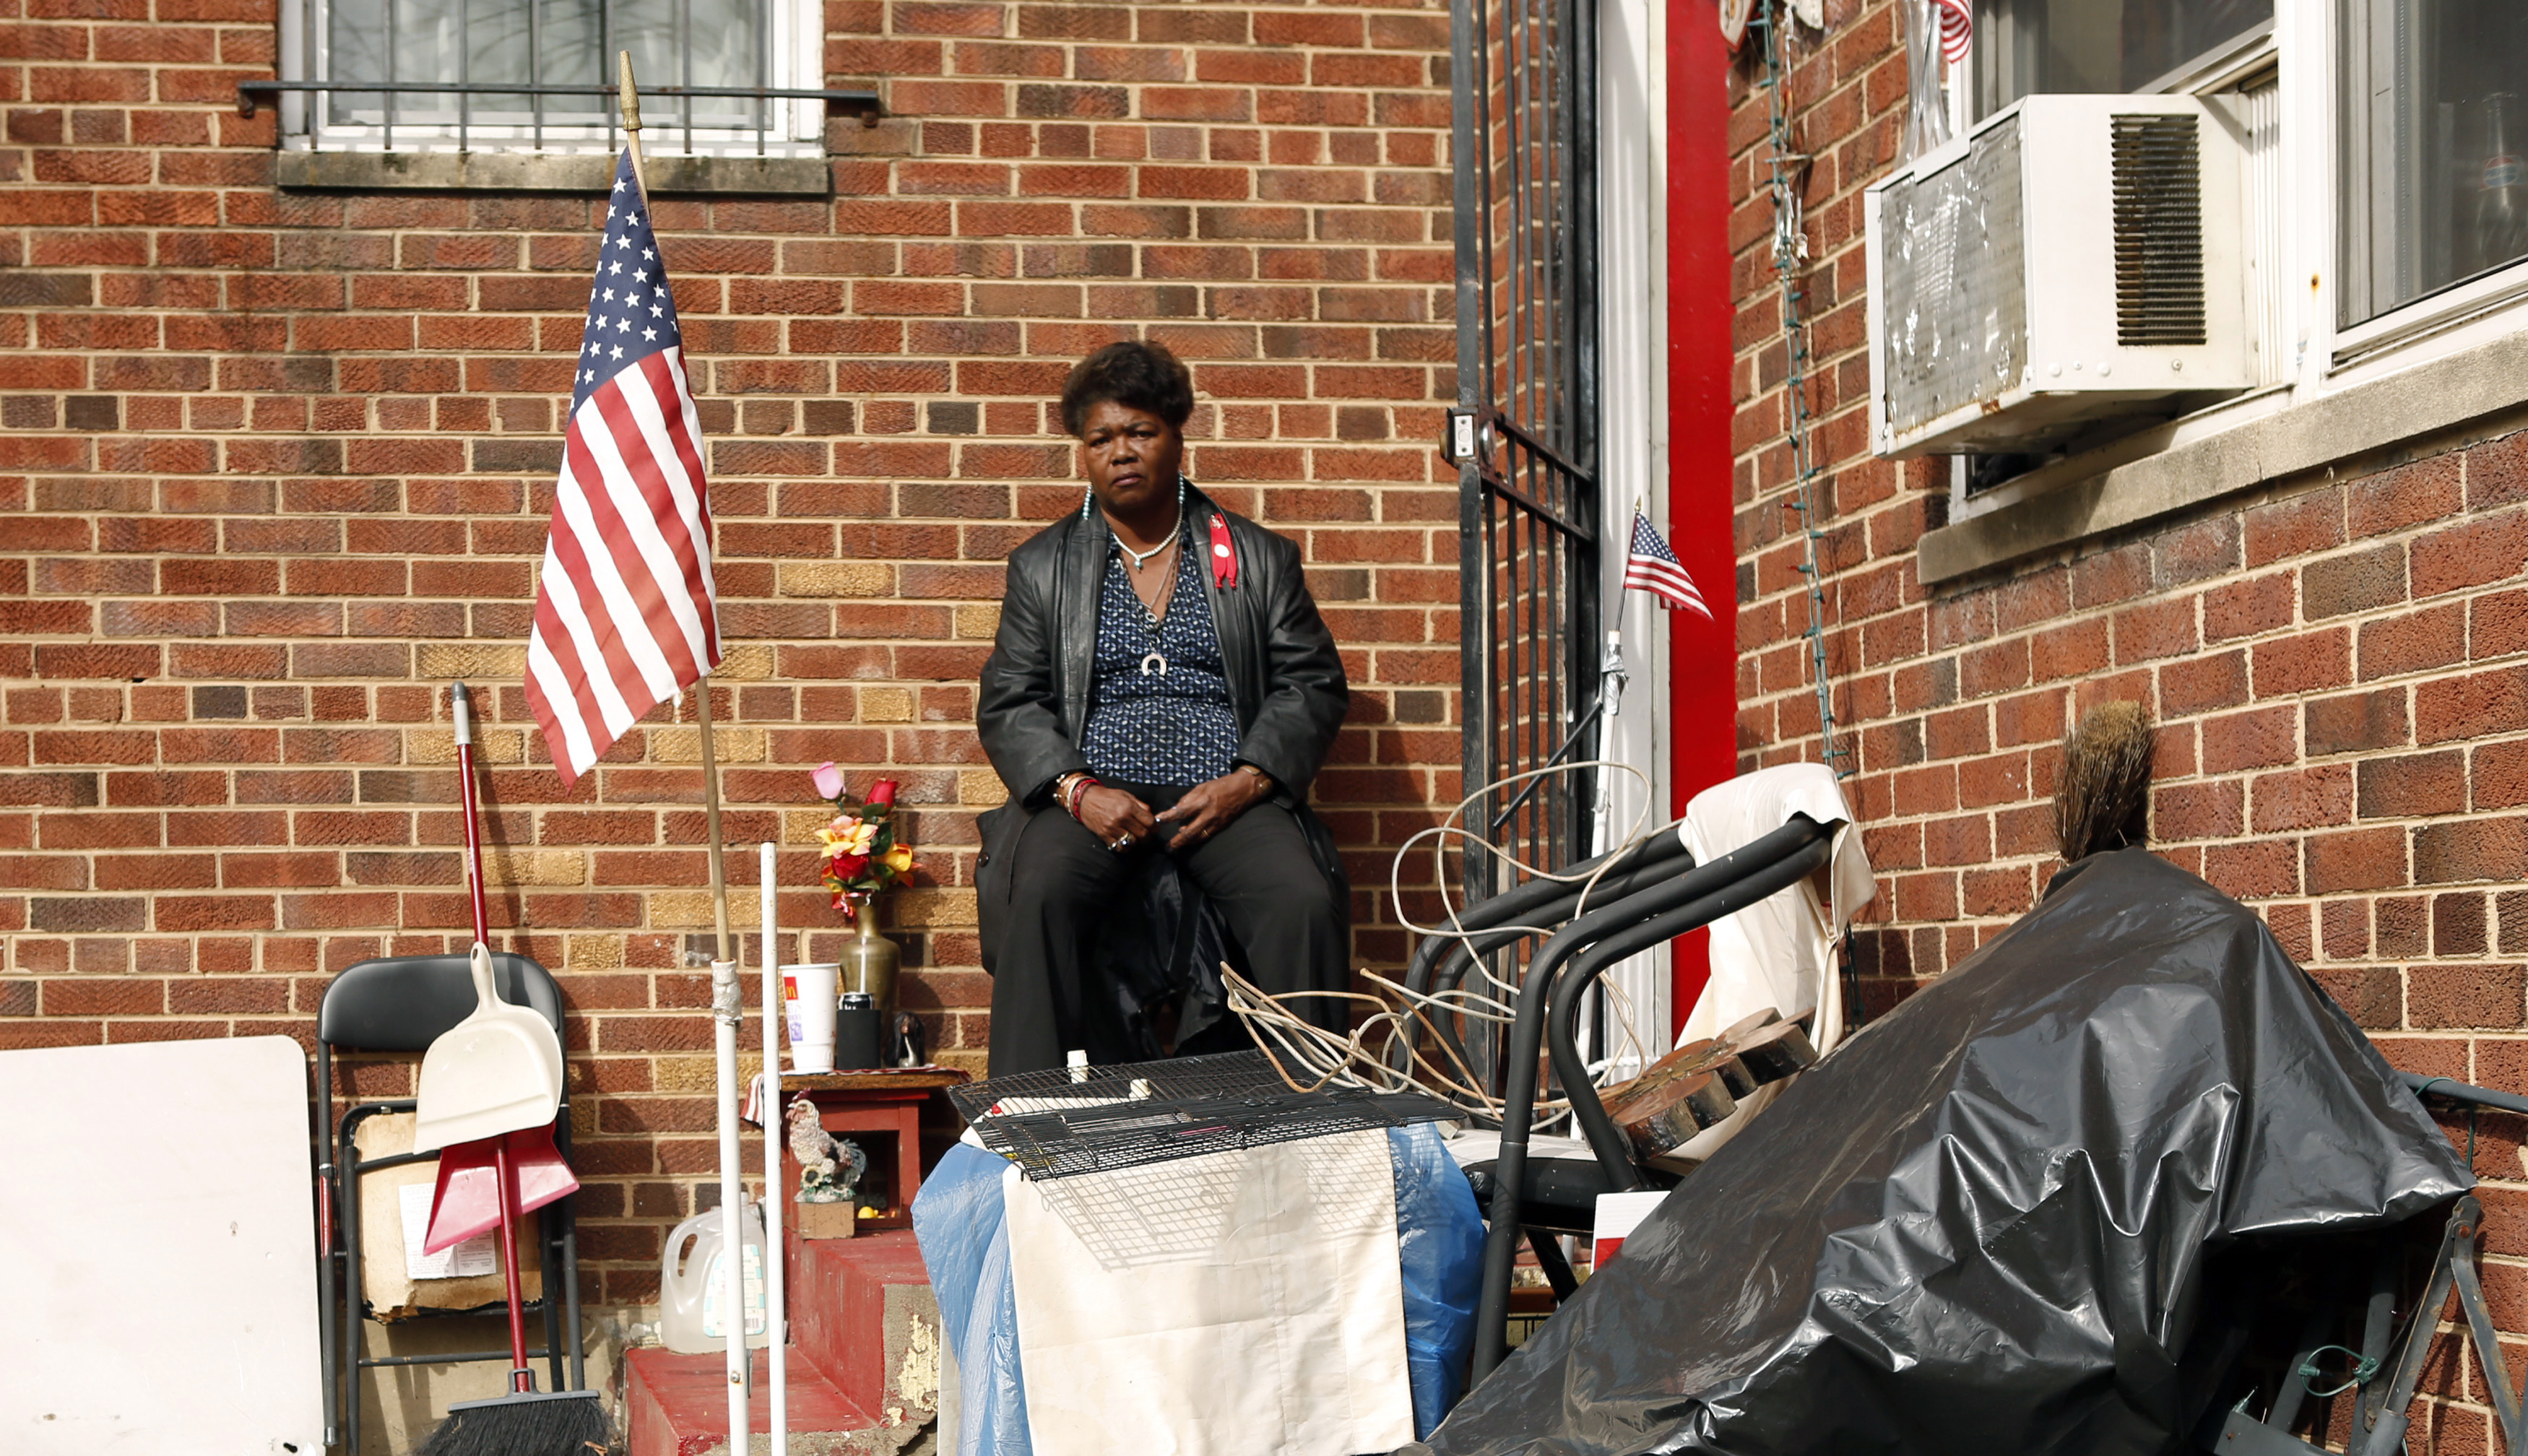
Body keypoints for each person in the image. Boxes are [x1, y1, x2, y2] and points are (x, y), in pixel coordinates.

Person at [974, 341, 1351, 1075]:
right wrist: (1076, 790)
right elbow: (1010, 697)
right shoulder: (1042, 566)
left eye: (1140, 432)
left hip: (1222, 797)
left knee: (1300, 899)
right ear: (1083, 453)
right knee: (1040, 892)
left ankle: (1316, 1109)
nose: (1121, 452)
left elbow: (1310, 682)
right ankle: (1026, 1112)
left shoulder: (1257, 557)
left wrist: (1250, 779)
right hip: (1091, 798)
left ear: (1177, 437)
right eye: (1101, 439)